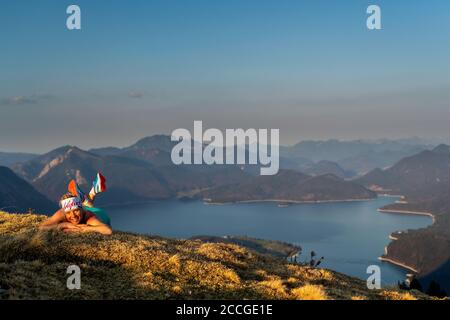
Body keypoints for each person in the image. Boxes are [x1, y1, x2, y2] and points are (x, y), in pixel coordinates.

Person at [39, 173, 112, 235]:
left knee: (89, 207)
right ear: (64, 211)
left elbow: (108, 230)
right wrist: (63, 225)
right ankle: (91, 194)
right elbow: (41, 227)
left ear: (81, 209)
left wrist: (85, 228)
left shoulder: (89, 217)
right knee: (88, 206)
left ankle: (88, 197)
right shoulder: (61, 213)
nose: (73, 215)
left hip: (100, 214)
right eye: (68, 212)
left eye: (76, 210)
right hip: (85, 208)